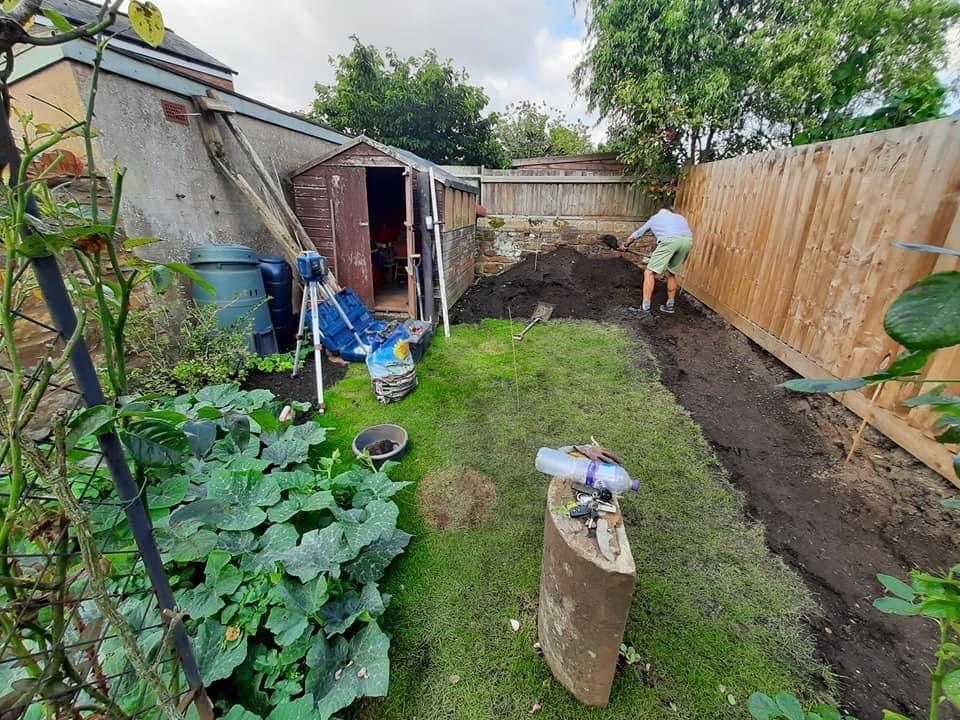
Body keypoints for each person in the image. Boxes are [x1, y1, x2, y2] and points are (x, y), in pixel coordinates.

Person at [620, 207, 693, 314]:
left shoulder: (655, 218)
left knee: (649, 272)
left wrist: (625, 245)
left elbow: (637, 234)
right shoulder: (680, 217)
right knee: (671, 273)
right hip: (687, 241)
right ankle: (670, 306)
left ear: (659, 212)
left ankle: (645, 308)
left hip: (670, 240)